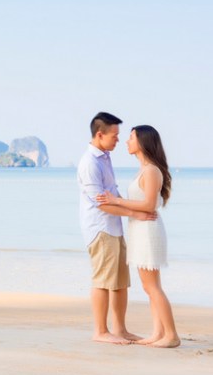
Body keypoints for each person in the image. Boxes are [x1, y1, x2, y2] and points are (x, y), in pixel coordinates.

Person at [77, 112, 156, 344]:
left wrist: (132, 211)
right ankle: (100, 331)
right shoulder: (89, 163)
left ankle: (119, 329)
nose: (118, 140)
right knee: (103, 280)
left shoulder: (104, 156)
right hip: (100, 229)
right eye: (114, 136)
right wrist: (134, 213)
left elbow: (113, 195)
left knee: (120, 282)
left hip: (114, 227)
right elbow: (101, 204)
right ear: (99, 135)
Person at [97, 126, 179, 348]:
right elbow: (141, 202)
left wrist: (116, 201)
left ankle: (171, 335)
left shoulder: (151, 171)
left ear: (142, 142)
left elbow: (149, 205)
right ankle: (157, 333)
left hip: (148, 232)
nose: (126, 141)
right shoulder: (144, 170)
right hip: (141, 230)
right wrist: (118, 201)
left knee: (152, 287)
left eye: (131, 137)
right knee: (151, 286)